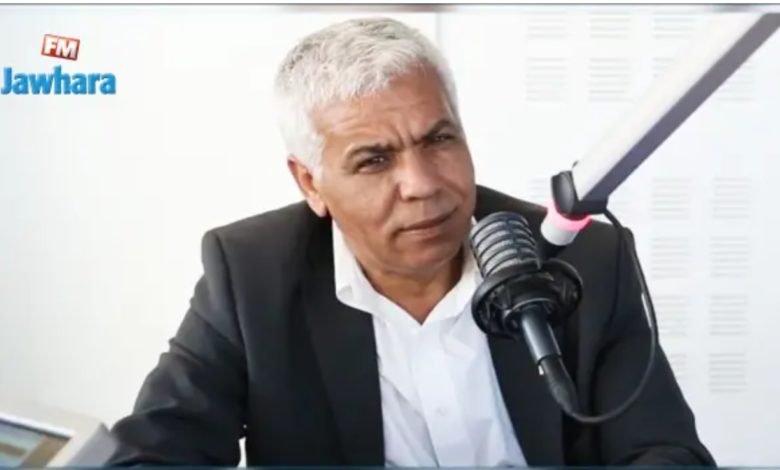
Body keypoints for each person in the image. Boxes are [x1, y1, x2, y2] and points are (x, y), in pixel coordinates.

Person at [109, 17, 714, 466]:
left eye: (439, 139)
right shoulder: (250, 277)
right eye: (374, 160)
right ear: (311, 182)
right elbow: (152, 456)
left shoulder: (584, 257)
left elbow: (665, 453)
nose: (423, 185)